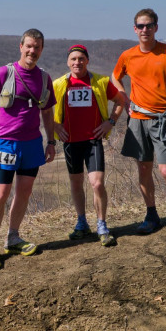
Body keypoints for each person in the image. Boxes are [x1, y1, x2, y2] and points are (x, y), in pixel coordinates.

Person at [111, 8, 166, 244]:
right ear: (134, 29)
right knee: (144, 169)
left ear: (156, 27)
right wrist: (124, 98)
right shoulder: (128, 55)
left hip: (164, 119)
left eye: (149, 25)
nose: (144, 30)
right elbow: (115, 76)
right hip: (137, 119)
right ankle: (152, 215)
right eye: (140, 26)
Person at [0, 28, 57, 270]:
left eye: (37, 47)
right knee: (0, 194)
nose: (33, 51)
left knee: (24, 192)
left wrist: (51, 142)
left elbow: (47, 111)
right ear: (21, 46)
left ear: (42, 50)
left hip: (32, 144)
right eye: (29, 46)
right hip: (6, 143)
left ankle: (13, 237)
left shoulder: (44, 78)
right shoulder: (4, 73)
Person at [52, 44, 125, 247]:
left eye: (81, 59)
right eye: (73, 59)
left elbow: (120, 101)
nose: (77, 62)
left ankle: (102, 224)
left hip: (93, 141)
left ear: (87, 61)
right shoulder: (58, 84)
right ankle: (82, 222)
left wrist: (110, 122)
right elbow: (45, 109)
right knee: (76, 184)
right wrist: (56, 127)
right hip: (70, 142)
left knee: (97, 183)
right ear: (68, 62)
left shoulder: (101, 81)